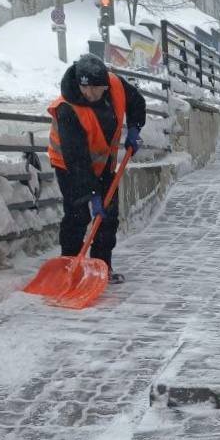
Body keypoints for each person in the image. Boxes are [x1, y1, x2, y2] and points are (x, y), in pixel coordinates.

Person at [47, 53, 146, 284]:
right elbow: (77, 160)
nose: (92, 94)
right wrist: (92, 194)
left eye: (98, 89)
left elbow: (137, 102)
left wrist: (134, 128)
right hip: (70, 167)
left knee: (108, 216)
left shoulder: (115, 86)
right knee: (77, 214)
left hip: (104, 165)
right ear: (80, 84)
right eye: (88, 89)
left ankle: (102, 266)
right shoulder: (66, 109)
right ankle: (69, 265)